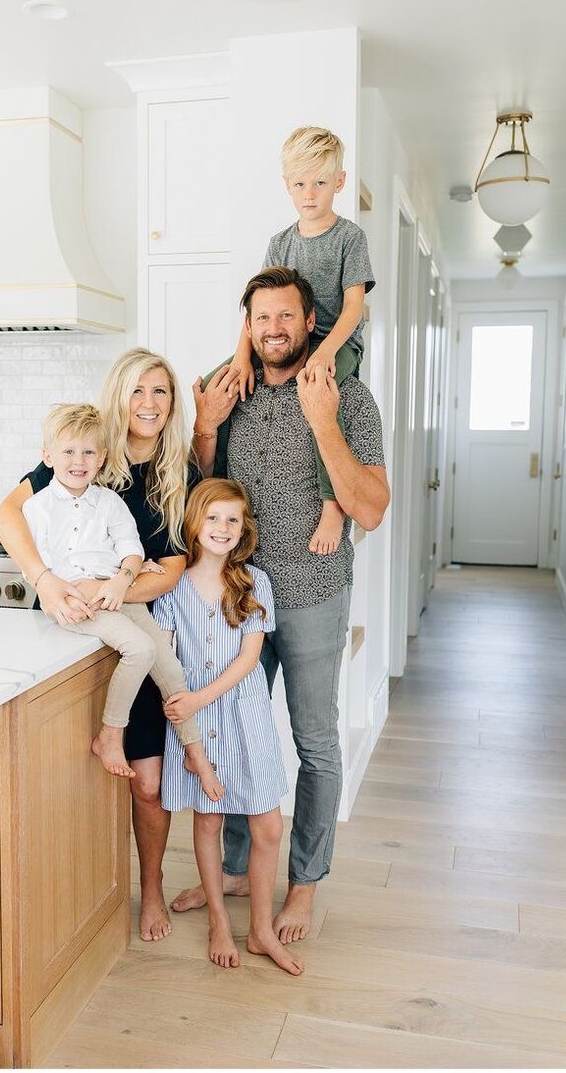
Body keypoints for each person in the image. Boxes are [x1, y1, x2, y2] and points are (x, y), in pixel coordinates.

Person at [173, 266, 390, 944]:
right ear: (248, 324)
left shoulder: (347, 396)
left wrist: (322, 420)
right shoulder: (228, 389)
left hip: (314, 596)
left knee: (314, 742)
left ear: (309, 321)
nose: (274, 329)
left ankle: (302, 884)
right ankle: (238, 867)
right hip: (238, 600)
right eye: (261, 317)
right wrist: (205, 431)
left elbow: (372, 510)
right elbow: (204, 499)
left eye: (286, 316)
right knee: (235, 732)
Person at [0, 348, 227, 941]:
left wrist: (111, 585)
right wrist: (45, 581)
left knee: (148, 784)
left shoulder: (181, 473)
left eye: (162, 392)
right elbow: (6, 514)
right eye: (138, 391)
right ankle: (86, 902)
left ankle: (148, 892)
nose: (149, 404)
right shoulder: (84, 450)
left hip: (136, 618)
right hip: (77, 628)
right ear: (117, 395)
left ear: (172, 403)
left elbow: (171, 568)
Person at [21, 401, 223, 798]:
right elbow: (39, 568)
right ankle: (110, 734)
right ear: (47, 457)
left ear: (102, 458)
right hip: (77, 603)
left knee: (169, 663)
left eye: (89, 452)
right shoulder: (37, 507)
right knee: (140, 648)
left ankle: (193, 750)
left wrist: (123, 578)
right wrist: (71, 590)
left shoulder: (109, 502)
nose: (79, 461)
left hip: (114, 593)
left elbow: (131, 549)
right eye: (68, 452)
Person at [156, 478, 303, 976]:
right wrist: (189, 709)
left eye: (232, 520)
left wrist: (200, 696)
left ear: (243, 529)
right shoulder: (171, 586)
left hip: (244, 712)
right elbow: (168, 660)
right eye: (213, 518)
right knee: (208, 819)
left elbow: (249, 659)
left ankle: (260, 930)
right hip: (195, 724)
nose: (222, 528)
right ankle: (220, 919)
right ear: (195, 523)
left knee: (268, 824)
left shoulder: (254, 582)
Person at [210, 125, 375, 556]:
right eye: (300, 184)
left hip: (337, 342)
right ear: (287, 186)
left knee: (322, 404)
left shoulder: (349, 238)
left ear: (338, 182)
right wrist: (242, 358)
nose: (310, 193)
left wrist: (324, 353)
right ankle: (215, 488)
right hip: (288, 336)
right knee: (218, 382)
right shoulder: (280, 242)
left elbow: (354, 307)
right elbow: (257, 307)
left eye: (320, 183)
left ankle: (331, 504)